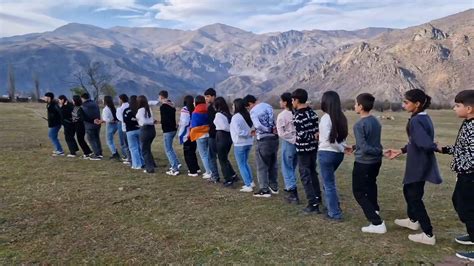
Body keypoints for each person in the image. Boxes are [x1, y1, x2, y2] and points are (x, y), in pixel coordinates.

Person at [385, 89, 442, 245]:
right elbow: (416, 141)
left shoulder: (416, 120)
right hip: (419, 162)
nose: (404, 105)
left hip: (419, 164)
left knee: (414, 197)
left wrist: (433, 146)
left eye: (406, 102)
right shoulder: (423, 117)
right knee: (408, 190)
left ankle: (428, 234)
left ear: (417, 104)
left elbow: (423, 143)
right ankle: (412, 220)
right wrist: (402, 150)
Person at [437, 90, 474, 260]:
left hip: (470, 175)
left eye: (457, 105)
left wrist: (464, 170)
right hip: (466, 174)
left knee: (468, 208)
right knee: (459, 202)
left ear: (469, 108)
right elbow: (463, 149)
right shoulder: (468, 123)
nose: (454, 108)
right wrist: (444, 149)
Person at [349, 93, 385, 233]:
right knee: (371, 185)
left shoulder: (359, 125)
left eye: (355, 104)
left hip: (364, 162)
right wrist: (353, 147)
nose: (354, 106)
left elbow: (365, 147)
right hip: (376, 162)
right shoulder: (375, 121)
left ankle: (377, 223)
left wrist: (378, 151)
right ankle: (374, 209)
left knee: (358, 192)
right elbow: (368, 143)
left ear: (361, 106)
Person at [318, 91, 349, 220]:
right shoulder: (341, 117)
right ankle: (333, 206)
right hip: (338, 155)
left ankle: (334, 213)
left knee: (328, 183)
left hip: (326, 153)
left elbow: (329, 139)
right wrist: (343, 148)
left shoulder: (326, 118)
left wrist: (341, 147)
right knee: (328, 183)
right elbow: (340, 138)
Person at [292, 89, 323, 213]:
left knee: (305, 175)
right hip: (313, 147)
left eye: (292, 100)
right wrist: (314, 137)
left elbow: (302, 134)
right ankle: (317, 196)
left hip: (303, 149)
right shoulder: (313, 113)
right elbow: (316, 131)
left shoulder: (298, 116)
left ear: (297, 100)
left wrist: (310, 136)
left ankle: (312, 204)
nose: (292, 103)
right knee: (313, 172)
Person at [243, 94, 279, 198]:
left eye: (248, 107)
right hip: (274, 137)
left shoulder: (253, 111)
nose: (248, 109)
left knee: (262, 165)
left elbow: (258, 125)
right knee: (273, 162)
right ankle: (274, 186)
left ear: (250, 103)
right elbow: (273, 120)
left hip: (263, 139)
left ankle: (264, 189)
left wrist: (264, 130)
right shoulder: (268, 106)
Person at [277, 92, 299, 204]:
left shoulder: (282, 115)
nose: (279, 103)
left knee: (286, 167)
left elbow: (281, 133)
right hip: (299, 143)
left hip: (288, 143)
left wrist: (292, 139)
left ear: (285, 102)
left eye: (281, 100)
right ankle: (290, 185)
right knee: (293, 166)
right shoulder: (297, 113)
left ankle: (292, 191)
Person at [230, 98, 255, 193]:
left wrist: (248, 133)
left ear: (236, 106)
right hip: (248, 143)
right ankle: (251, 181)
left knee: (241, 164)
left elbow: (239, 131)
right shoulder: (248, 115)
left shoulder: (236, 117)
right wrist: (250, 133)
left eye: (233, 105)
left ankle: (248, 185)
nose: (232, 107)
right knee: (245, 162)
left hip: (240, 143)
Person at [214, 97, 239, 187]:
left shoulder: (218, 115)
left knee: (222, 159)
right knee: (224, 157)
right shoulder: (229, 114)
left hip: (221, 136)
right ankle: (233, 174)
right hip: (229, 138)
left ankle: (228, 179)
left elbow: (224, 127)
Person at [159, 90, 181, 176]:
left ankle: (175, 168)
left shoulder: (163, 107)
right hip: (173, 129)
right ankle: (177, 163)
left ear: (161, 96)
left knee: (168, 149)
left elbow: (164, 119)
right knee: (170, 148)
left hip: (167, 130)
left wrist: (161, 123)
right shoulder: (172, 105)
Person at [178, 95, 201, 177]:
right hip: (194, 133)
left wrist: (181, 129)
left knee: (187, 153)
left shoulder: (185, 109)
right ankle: (196, 167)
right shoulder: (195, 109)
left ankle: (192, 171)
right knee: (192, 151)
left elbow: (184, 122)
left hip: (187, 134)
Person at [190, 95, 212, 179]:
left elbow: (194, 125)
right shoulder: (208, 109)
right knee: (208, 153)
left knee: (203, 154)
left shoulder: (195, 112)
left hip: (200, 135)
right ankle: (211, 169)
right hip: (208, 133)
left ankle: (208, 171)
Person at [96, 96, 121, 161]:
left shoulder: (105, 109)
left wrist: (99, 121)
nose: (102, 100)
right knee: (111, 140)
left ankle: (115, 154)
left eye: (103, 100)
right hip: (115, 125)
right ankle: (115, 153)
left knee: (109, 141)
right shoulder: (113, 108)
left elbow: (106, 119)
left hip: (110, 125)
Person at [137, 95, 156, 174]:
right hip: (152, 130)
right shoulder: (148, 109)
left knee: (144, 150)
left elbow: (144, 121)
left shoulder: (141, 110)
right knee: (147, 149)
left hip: (145, 130)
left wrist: (140, 122)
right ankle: (152, 164)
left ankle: (149, 168)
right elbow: (151, 120)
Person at [204, 88, 220, 183]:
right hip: (220, 135)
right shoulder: (219, 106)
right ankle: (232, 174)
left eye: (208, 96)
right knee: (222, 157)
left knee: (211, 157)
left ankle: (215, 176)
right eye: (205, 96)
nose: (206, 98)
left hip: (213, 135)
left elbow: (212, 123)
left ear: (213, 96)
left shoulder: (211, 108)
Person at [123, 95, 143, 170]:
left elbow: (125, 120)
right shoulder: (139, 109)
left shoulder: (126, 110)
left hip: (130, 131)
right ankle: (143, 162)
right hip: (139, 130)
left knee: (133, 148)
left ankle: (137, 165)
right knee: (141, 147)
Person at [80, 92, 102, 161]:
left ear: (82, 98)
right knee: (97, 139)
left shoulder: (84, 105)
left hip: (89, 125)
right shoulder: (95, 103)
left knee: (91, 140)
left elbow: (84, 116)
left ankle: (97, 155)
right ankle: (100, 153)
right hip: (98, 123)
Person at [44, 92, 64, 156]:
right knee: (52, 136)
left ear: (49, 97)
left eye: (45, 97)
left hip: (56, 123)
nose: (44, 98)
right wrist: (49, 119)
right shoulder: (49, 104)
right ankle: (58, 149)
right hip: (52, 123)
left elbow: (59, 113)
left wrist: (54, 119)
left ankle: (60, 150)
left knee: (52, 135)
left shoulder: (54, 104)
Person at [116, 94, 131, 165]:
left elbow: (120, 118)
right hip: (133, 126)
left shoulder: (120, 109)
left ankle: (129, 158)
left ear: (121, 100)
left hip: (125, 127)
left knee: (126, 144)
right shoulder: (131, 106)